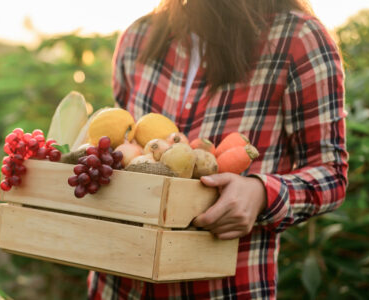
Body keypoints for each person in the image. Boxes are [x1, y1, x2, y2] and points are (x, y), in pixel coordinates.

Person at [87, 0, 348, 299]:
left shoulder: (298, 40)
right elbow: (118, 148)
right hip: (117, 286)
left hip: (224, 289)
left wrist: (261, 193)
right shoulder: (138, 37)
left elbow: (331, 174)